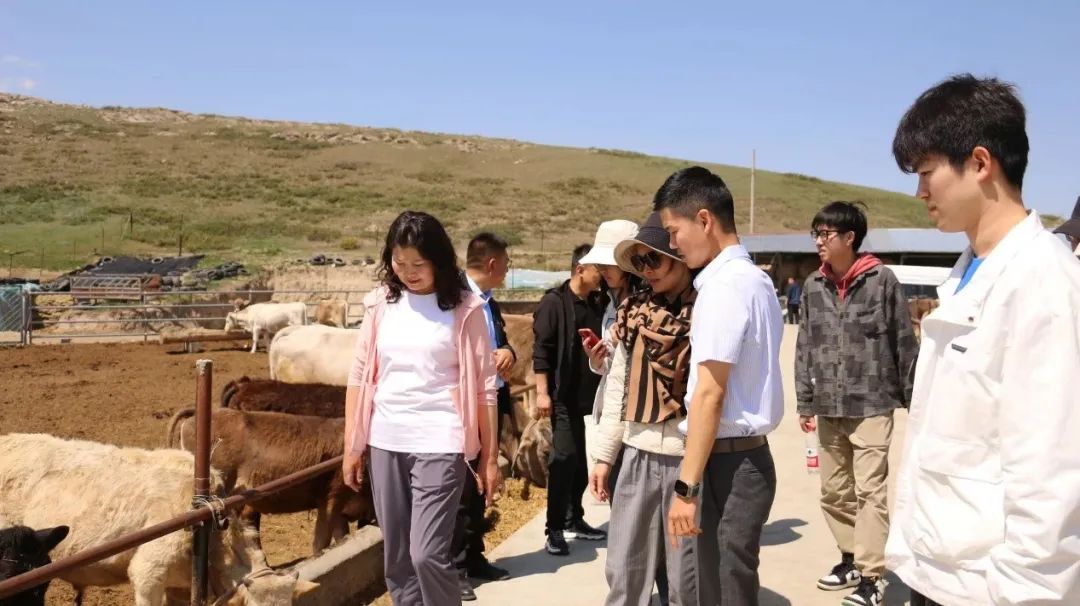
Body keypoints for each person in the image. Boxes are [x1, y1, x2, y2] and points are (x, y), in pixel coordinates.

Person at [886, 74, 1080, 606]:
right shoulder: (968, 272)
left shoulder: (1045, 283)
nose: (920, 192)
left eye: (926, 172)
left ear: (979, 162)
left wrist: (1024, 593)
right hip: (939, 569)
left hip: (992, 587)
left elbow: (1053, 476)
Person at [342, 211, 502, 606]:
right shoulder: (380, 304)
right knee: (397, 558)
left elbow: (485, 388)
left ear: (439, 260)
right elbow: (359, 375)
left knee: (426, 553)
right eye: (399, 262)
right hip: (385, 438)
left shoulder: (465, 308)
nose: (408, 272)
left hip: (441, 438)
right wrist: (352, 446)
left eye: (418, 264)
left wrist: (489, 457)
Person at [657, 166, 784, 606]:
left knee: (722, 589)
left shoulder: (724, 287)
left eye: (674, 231)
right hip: (741, 459)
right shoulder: (755, 280)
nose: (672, 244)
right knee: (721, 583)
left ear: (704, 220)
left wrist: (686, 489)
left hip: (727, 466)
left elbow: (710, 394)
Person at [796, 201, 919, 606]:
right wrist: (805, 400)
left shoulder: (882, 280)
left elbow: (903, 339)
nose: (818, 241)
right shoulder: (813, 285)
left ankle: (872, 576)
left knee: (870, 493)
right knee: (834, 492)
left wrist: (914, 399)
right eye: (816, 233)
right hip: (829, 405)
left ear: (850, 238)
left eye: (825, 234)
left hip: (872, 403)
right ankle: (850, 557)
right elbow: (805, 344)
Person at [587, 212, 698, 606]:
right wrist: (604, 457)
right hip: (637, 453)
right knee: (624, 571)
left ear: (680, 257)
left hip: (688, 459)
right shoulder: (632, 314)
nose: (646, 269)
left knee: (685, 579)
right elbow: (618, 387)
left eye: (654, 259)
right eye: (639, 261)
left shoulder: (707, 311)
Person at [532, 244, 609, 556]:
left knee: (578, 462)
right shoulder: (554, 303)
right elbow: (542, 351)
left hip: (588, 398)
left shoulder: (598, 301)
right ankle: (554, 529)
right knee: (563, 459)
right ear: (580, 269)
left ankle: (573, 518)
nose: (602, 275)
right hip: (563, 396)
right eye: (597, 269)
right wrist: (542, 393)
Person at [452, 232, 516, 600]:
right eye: (505, 264)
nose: (507, 270)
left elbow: (499, 343)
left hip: (490, 402)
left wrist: (508, 352)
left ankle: (473, 556)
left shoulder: (488, 303)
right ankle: (455, 567)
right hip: (466, 406)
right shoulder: (456, 299)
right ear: (492, 264)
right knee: (463, 487)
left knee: (481, 485)